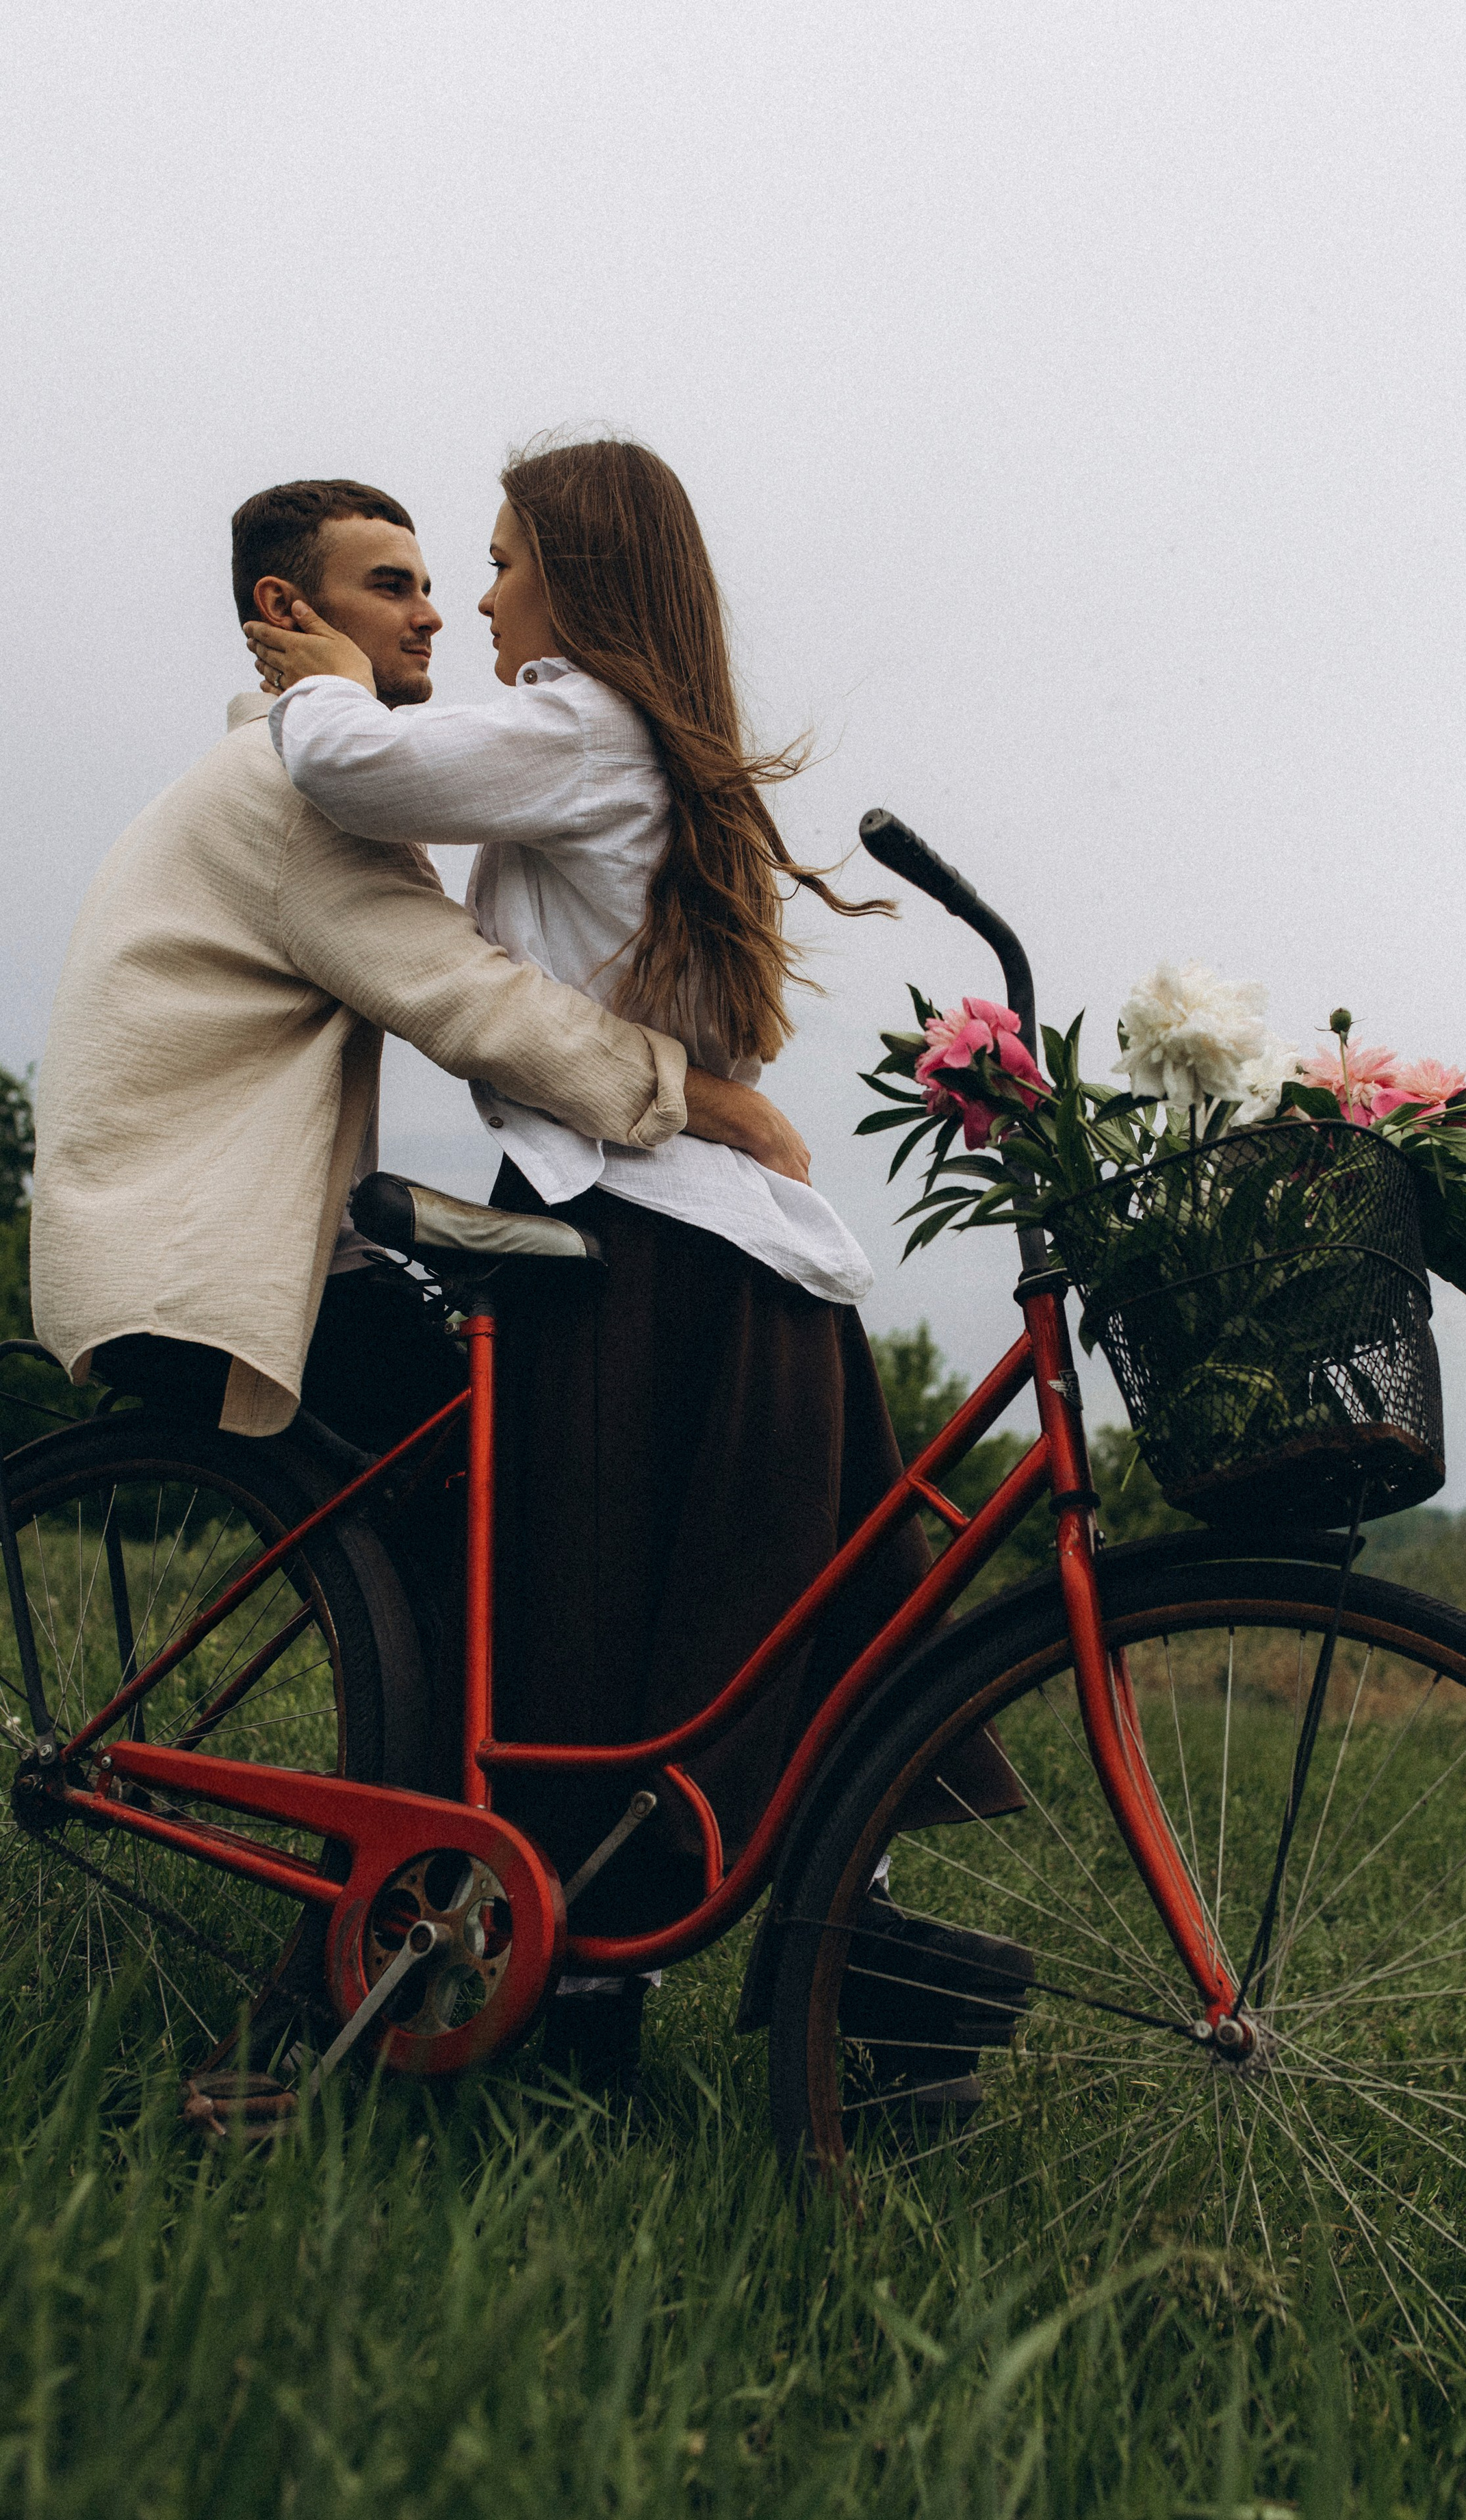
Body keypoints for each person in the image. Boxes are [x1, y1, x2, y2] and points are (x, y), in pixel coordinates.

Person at [246, 437, 1024, 2085]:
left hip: (639, 1259)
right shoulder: (653, 747)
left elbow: (360, 781)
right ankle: (684, 1987)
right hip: (742, 1275)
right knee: (725, 1646)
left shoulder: (579, 723)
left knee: (579, 1627)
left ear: (580, 578)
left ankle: (545, 1997)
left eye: (504, 554)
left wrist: (316, 684)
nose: (476, 591)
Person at [31, 476, 801, 1457]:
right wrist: (720, 1104)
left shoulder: (254, 779)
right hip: (203, 1266)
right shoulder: (289, 798)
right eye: (393, 586)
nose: (434, 614)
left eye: (436, 582)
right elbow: (477, 1004)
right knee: (495, 1491)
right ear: (284, 610)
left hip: (183, 1251)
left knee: (469, 1491)